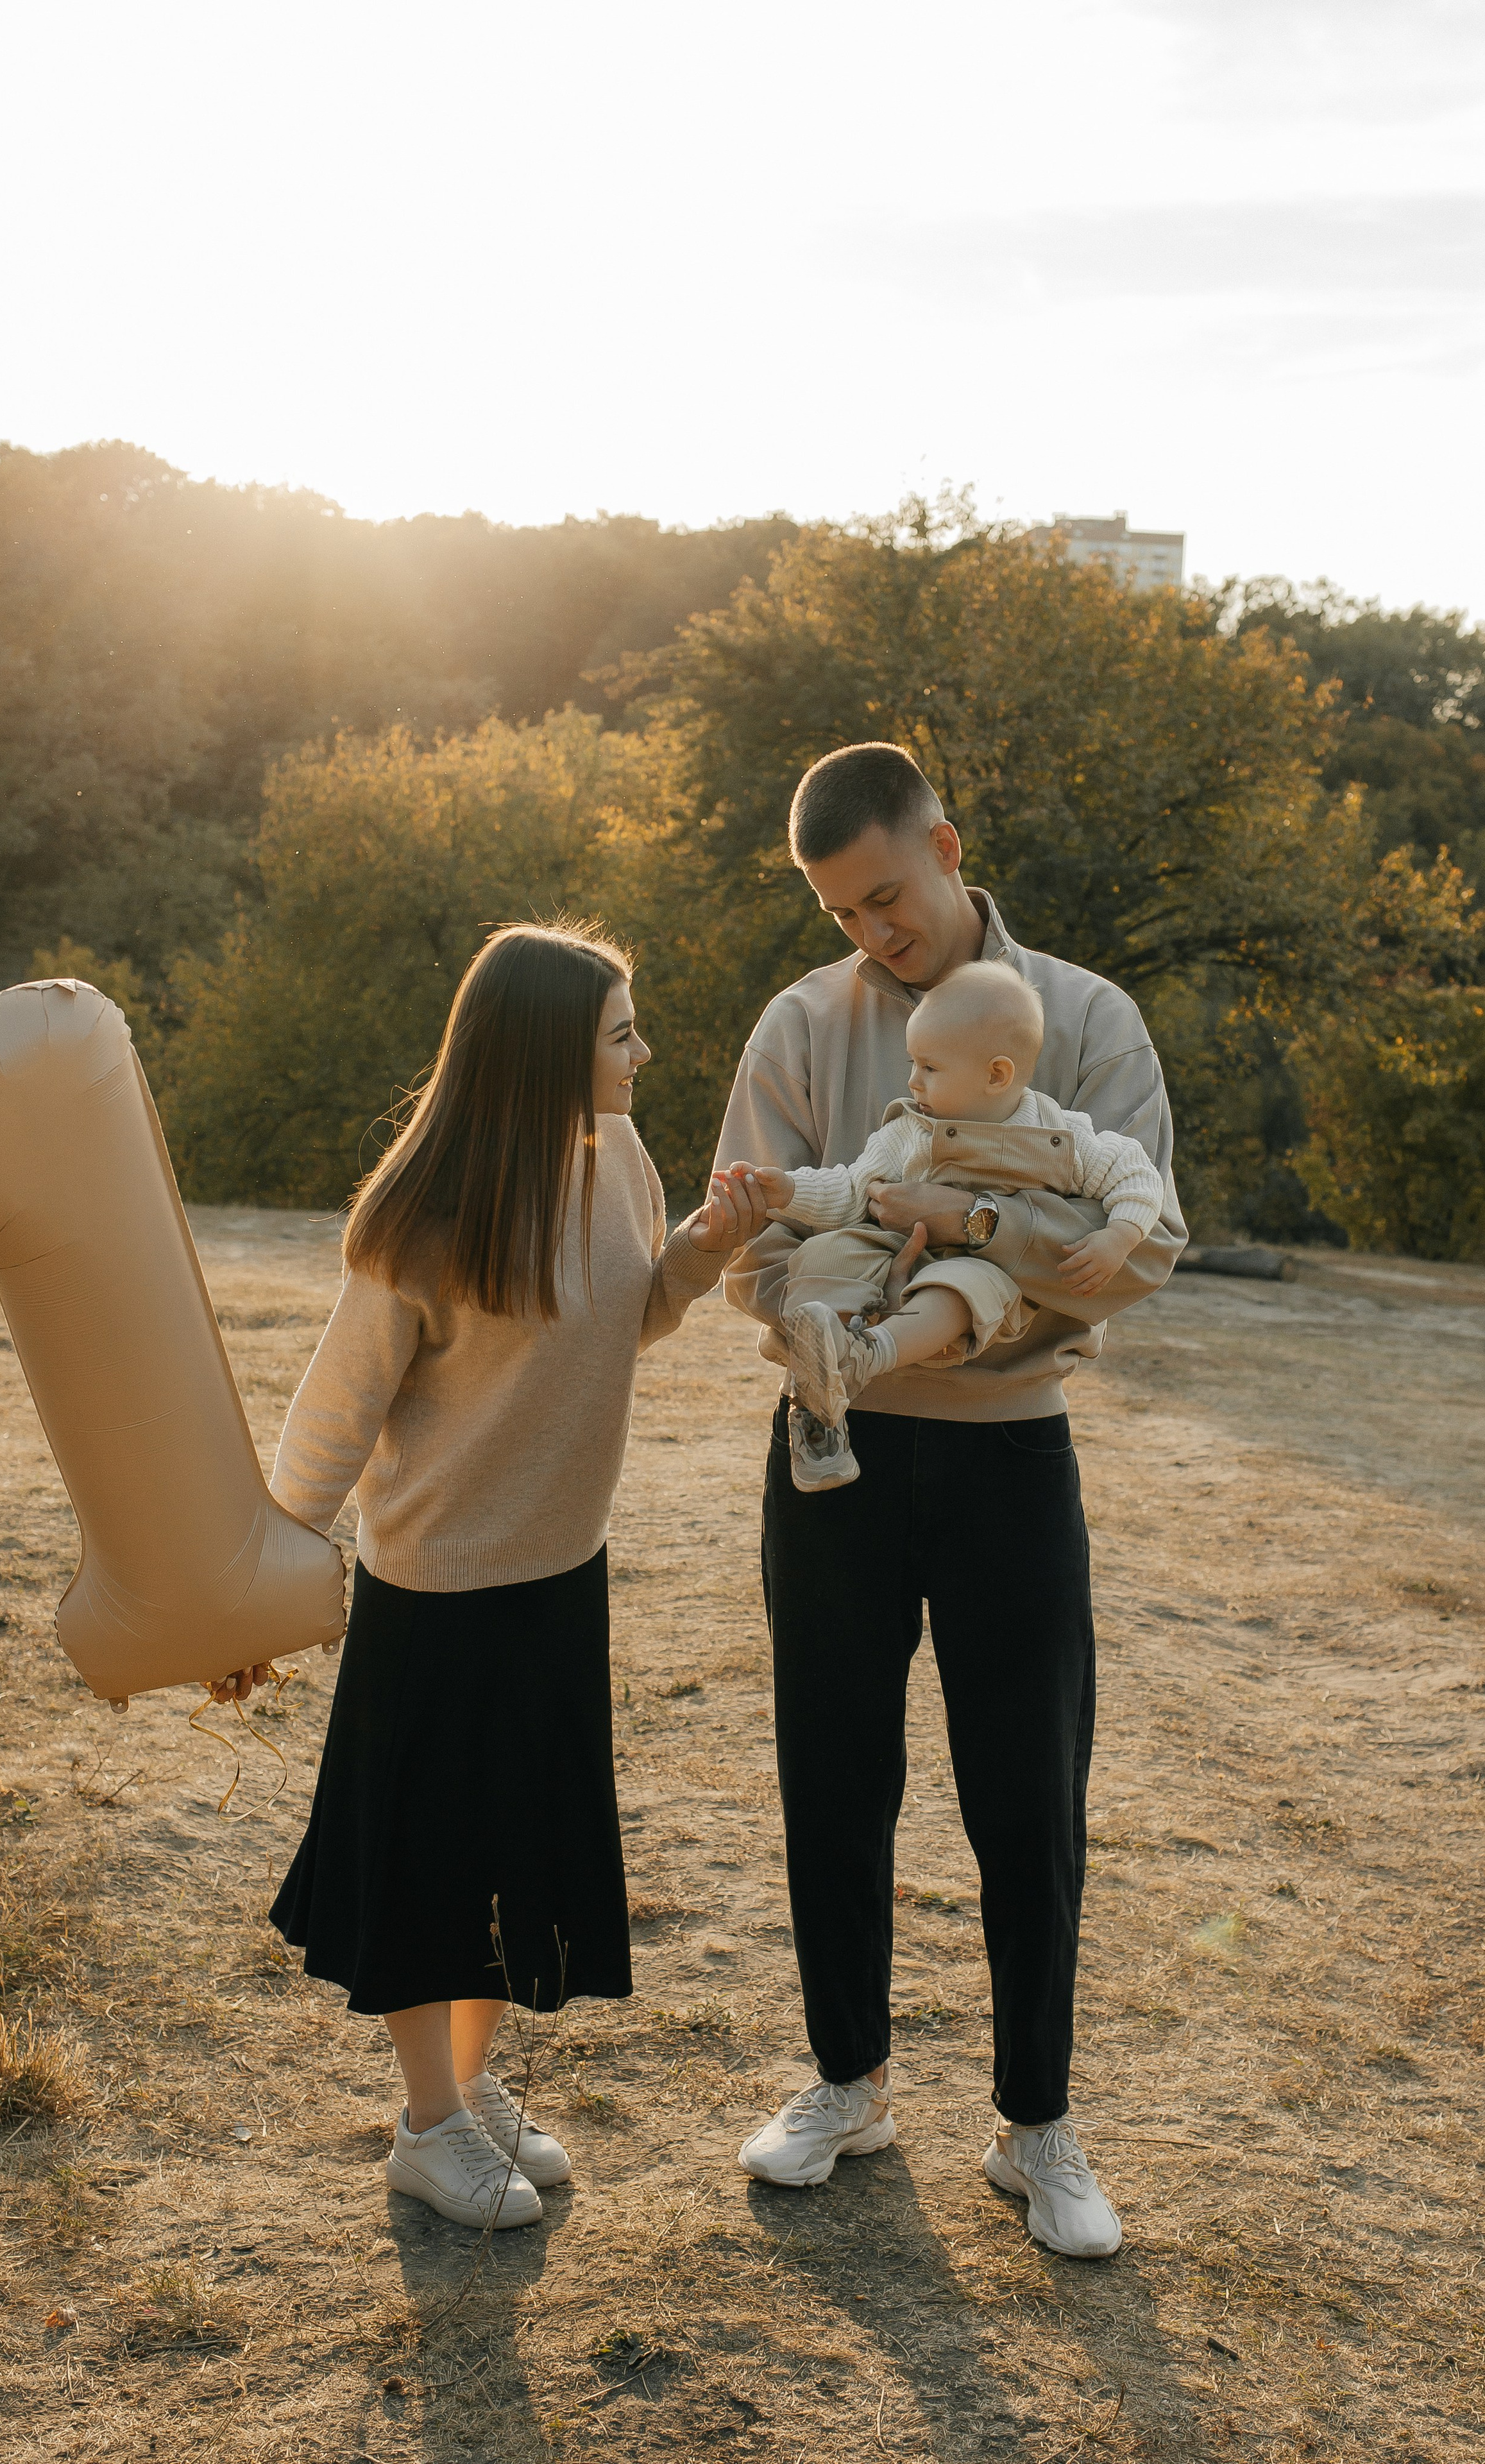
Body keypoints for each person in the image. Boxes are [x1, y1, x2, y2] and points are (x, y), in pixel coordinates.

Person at [210, 921, 765, 2233]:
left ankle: (463, 2098)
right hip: (435, 1598)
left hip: (560, 1575)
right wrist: (258, 1590)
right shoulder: (424, 1221)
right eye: (621, 1032)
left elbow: (629, 1316)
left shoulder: (618, 1156)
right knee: (429, 1871)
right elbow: (329, 1426)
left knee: (514, 1854)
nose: (645, 1050)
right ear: (543, 1055)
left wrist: (705, 1243)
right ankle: (426, 2130)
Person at [715, 742, 1186, 2259]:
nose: (872, 933)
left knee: (1025, 1795)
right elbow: (756, 1243)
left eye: (886, 897)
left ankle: (1034, 2124)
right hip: (829, 1448)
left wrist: (962, 1235)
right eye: (843, 913)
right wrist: (829, 1317)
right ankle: (844, 2080)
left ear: (943, 843)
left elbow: (1121, 1249)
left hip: (1005, 1453)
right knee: (830, 1780)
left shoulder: (1088, 1019)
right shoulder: (797, 1023)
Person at [733, 959, 1164, 1490]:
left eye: (929, 1068)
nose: (912, 1080)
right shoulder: (909, 1133)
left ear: (997, 1075)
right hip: (890, 1245)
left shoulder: (1059, 1135)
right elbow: (850, 1191)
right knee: (826, 1256)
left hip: (980, 1265)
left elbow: (1137, 1177)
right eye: (913, 1064)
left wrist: (1119, 1236)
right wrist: (790, 1191)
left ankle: (871, 1353)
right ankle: (820, 1391)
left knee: (958, 1288)